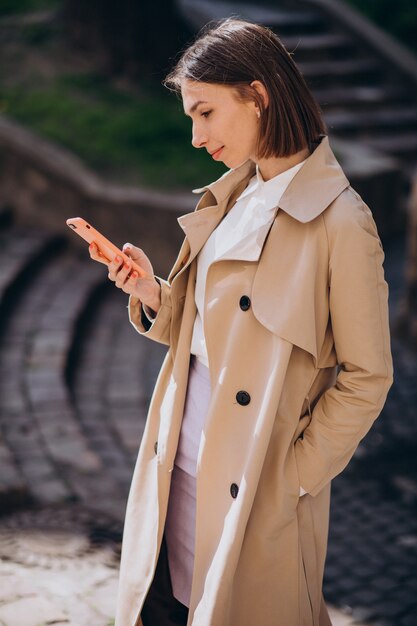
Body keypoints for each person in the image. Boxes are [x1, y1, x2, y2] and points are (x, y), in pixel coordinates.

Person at [88, 18, 393, 626]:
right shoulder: (233, 194)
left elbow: (368, 377)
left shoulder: (342, 223)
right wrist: (153, 291)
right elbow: (217, 337)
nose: (197, 137)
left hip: (253, 494)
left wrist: (291, 478)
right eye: (190, 119)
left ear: (258, 96)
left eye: (205, 113)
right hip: (175, 466)